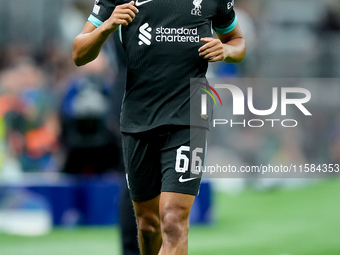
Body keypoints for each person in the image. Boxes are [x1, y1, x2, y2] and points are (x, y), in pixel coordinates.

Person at [72, 0, 246, 254]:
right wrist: (109, 25)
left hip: (190, 115)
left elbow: (237, 41)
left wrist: (226, 50)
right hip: (139, 117)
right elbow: (78, 53)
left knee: (174, 219)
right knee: (148, 224)